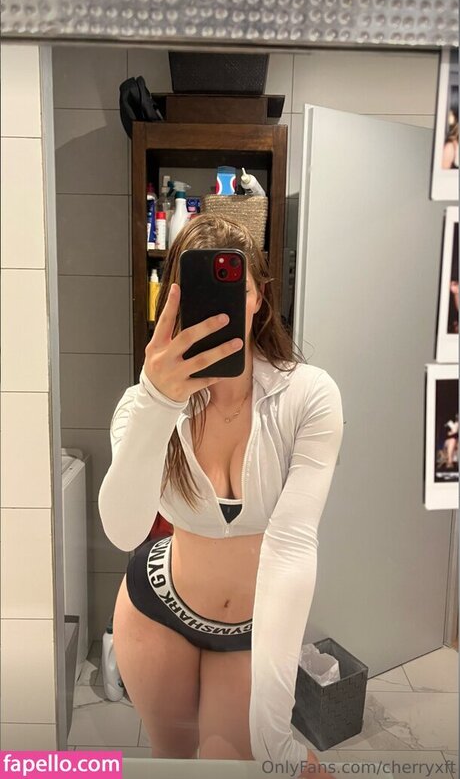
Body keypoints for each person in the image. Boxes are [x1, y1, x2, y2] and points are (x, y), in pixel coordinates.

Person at [98, 213, 344, 778]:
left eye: (236, 289)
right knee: (172, 762)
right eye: (196, 294)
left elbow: (292, 545)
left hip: (251, 630)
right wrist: (158, 401)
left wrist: (277, 739)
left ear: (258, 297)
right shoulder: (142, 405)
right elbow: (123, 530)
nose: (217, 309)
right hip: (157, 611)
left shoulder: (307, 397)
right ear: (173, 303)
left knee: (230, 766)